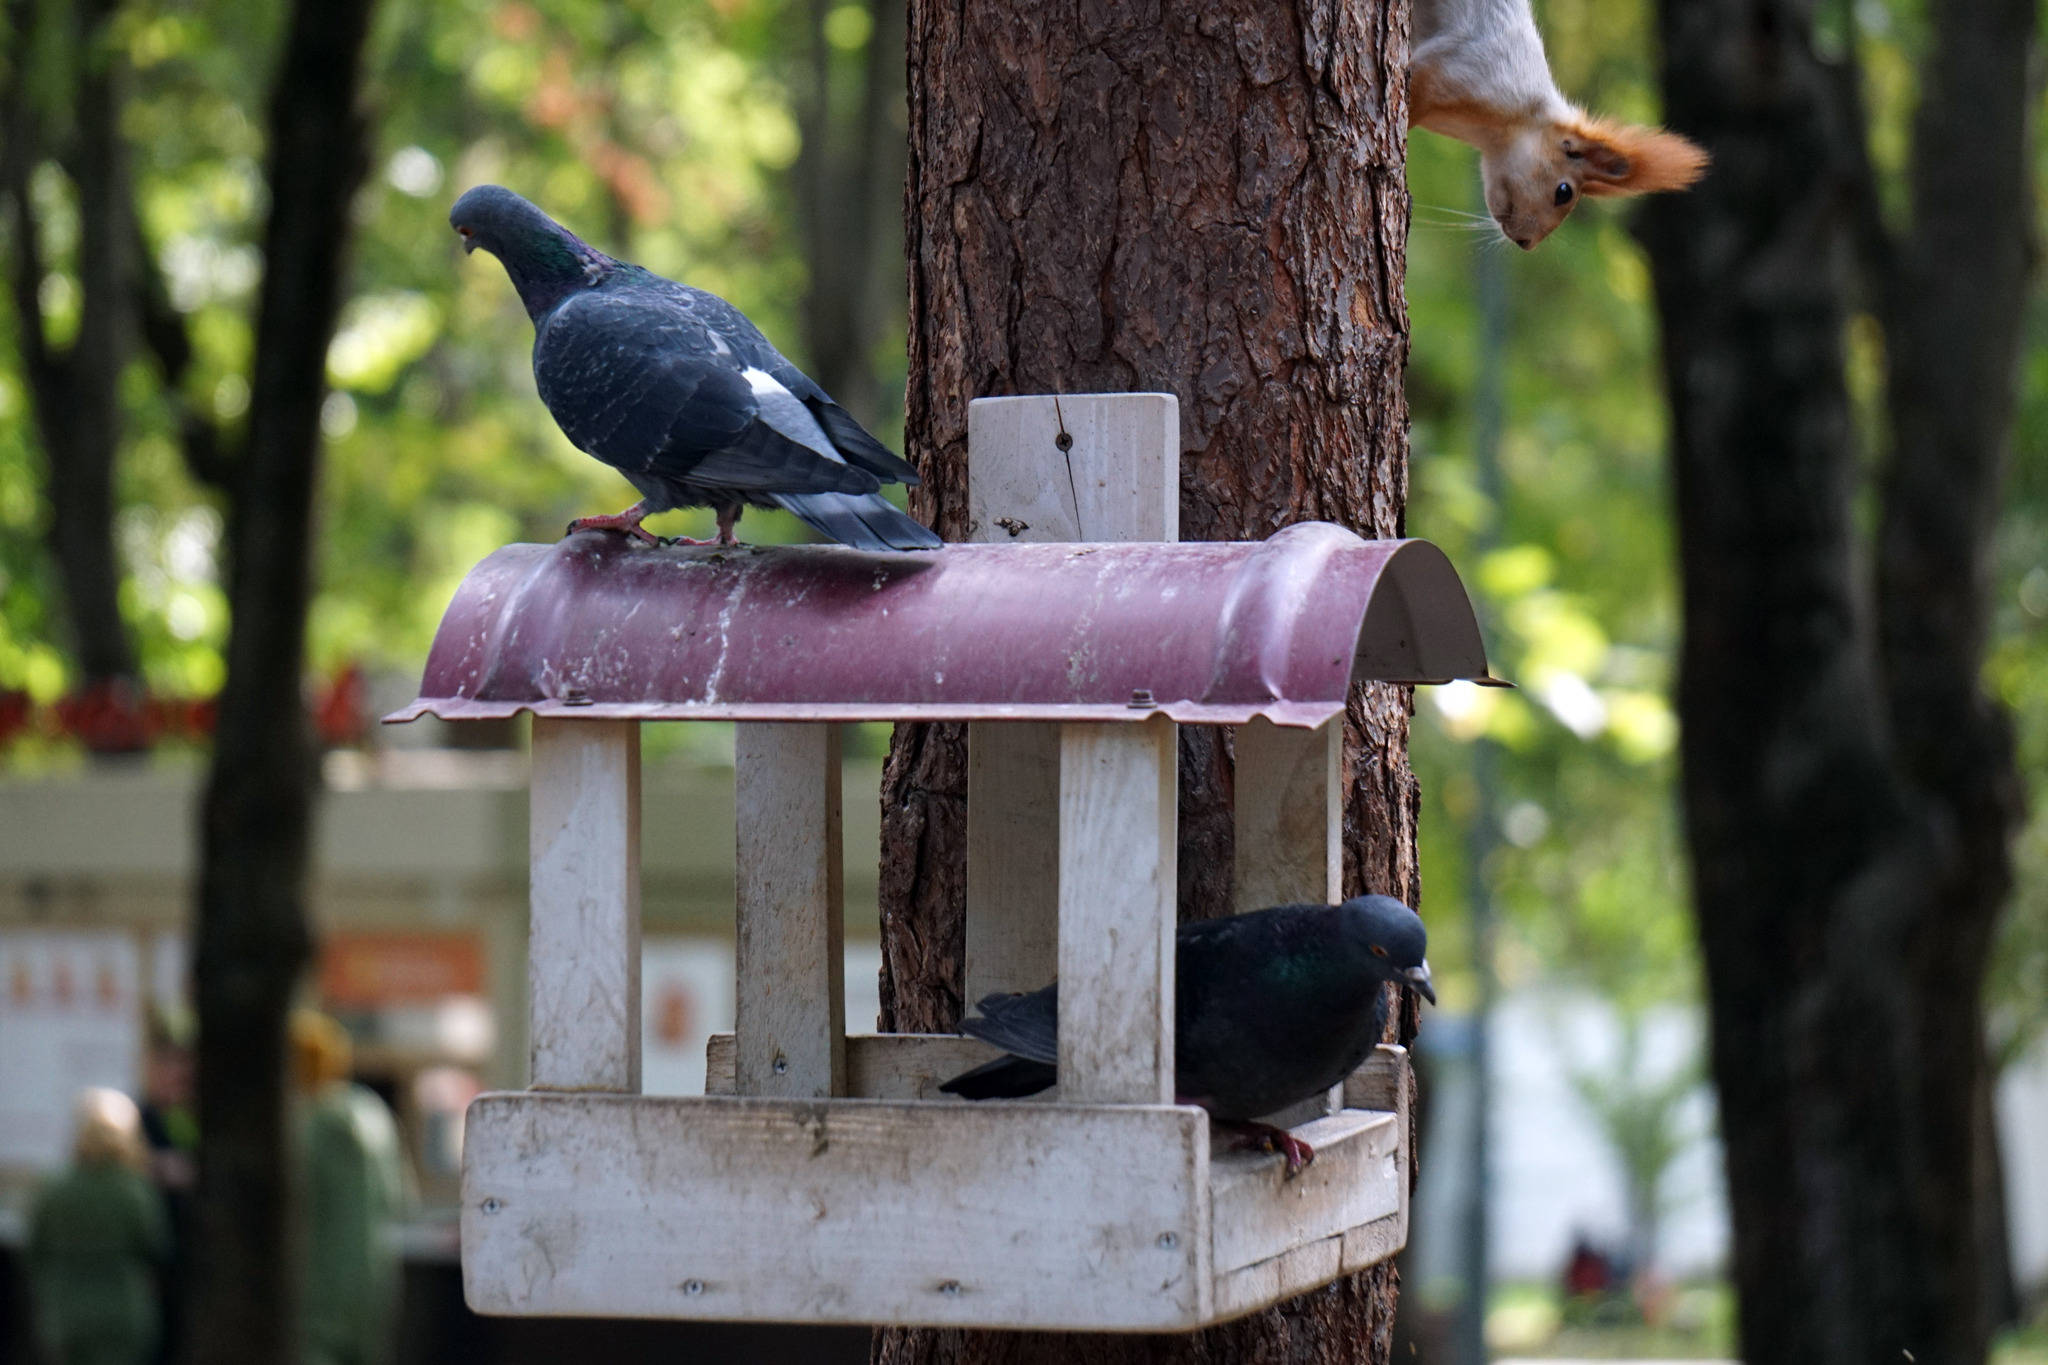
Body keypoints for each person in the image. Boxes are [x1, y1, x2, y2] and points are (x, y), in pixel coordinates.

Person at [292, 1010, 409, 1365]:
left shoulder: (310, 1127)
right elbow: (401, 1198)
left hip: (319, 1291)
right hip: (376, 1285)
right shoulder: (375, 1115)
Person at [26, 1088, 170, 1365]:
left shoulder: (55, 1188)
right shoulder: (134, 1190)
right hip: (121, 1311)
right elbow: (155, 1248)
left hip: (65, 1310)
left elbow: (35, 1252)